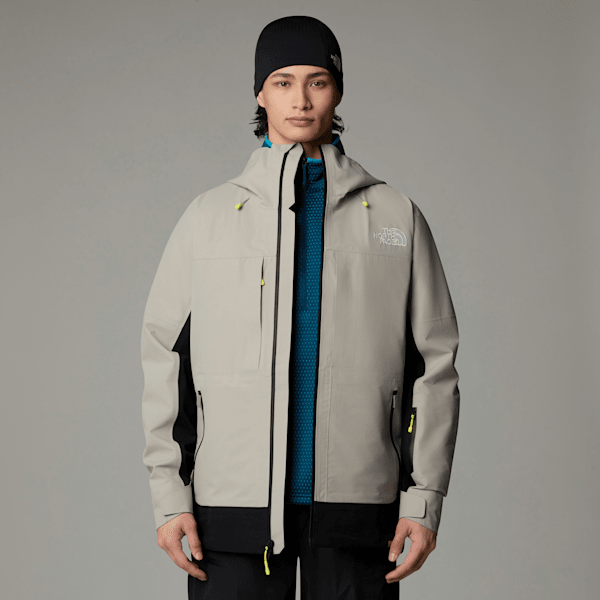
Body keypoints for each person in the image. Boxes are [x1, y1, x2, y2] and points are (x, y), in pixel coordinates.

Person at [140, 15, 460, 599]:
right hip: (231, 509)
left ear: (337, 91)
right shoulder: (207, 218)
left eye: (317, 81)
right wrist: (169, 497)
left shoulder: (396, 216)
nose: (301, 100)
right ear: (260, 94)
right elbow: (166, 358)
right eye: (283, 82)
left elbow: (434, 367)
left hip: (358, 507)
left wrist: (424, 500)